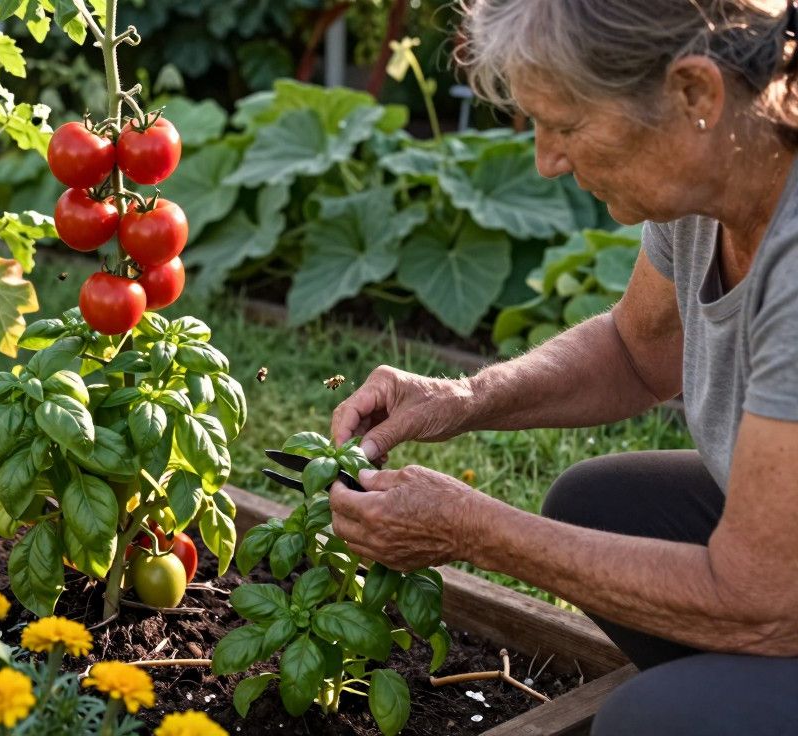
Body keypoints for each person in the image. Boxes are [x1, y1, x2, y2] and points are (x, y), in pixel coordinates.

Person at [327, 2, 798, 733]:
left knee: (653, 723)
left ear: (695, 95)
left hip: (774, 594)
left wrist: (470, 528)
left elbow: (763, 598)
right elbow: (636, 353)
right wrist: (463, 395)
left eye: (568, 126)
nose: (547, 158)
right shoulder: (717, 178)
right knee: (599, 505)